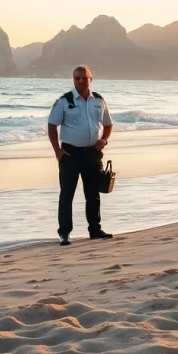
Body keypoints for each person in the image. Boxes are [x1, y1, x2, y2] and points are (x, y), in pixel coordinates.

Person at [47, 65, 114, 245]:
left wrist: (105, 140)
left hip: (93, 154)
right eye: (77, 78)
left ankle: (95, 229)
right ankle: (64, 233)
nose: (81, 81)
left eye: (84, 78)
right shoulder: (64, 101)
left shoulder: (99, 101)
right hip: (70, 154)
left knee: (93, 194)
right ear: (73, 79)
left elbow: (108, 124)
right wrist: (57, 152)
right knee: (67, 194)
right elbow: (52, 125)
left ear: (90, 79)